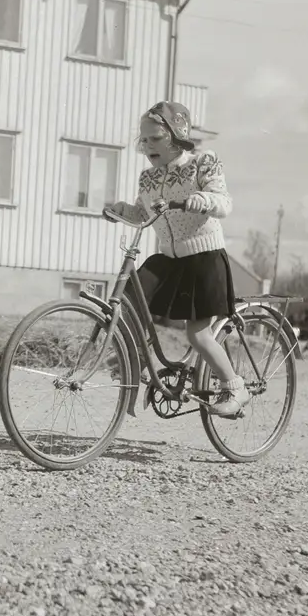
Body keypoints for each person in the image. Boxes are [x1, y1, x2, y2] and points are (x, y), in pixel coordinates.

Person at [104, 101, 250, 418]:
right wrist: (121, 211)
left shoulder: (202, 163)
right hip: (169, 259)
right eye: (144, 139)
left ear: (176, 136)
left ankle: (235, 386)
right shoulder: (148, 178)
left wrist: (202, 199)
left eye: (155, 138)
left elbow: (223, 202)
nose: (147, 146)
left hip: (203, 259)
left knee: (197, 335)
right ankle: (136, 357)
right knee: (129, 298)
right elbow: (143, 214)